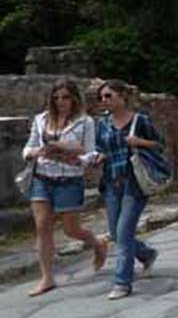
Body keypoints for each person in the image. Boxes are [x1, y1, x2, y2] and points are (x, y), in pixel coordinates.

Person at [20, 79, 107, 297]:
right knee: (42, 226)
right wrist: (34, 152)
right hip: (42, 177)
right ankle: (47, 278)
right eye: (56, 98)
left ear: (74, 98)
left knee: (71, 230)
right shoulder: (41, 119)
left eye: (65, 97)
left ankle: (98, 244)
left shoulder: (85, 122)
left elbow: (89, 152)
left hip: (68, 179)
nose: (61, 102)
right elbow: (28, 147)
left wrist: (74, 157)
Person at [92, 79, 161, 300]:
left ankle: (122, 282)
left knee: (123, 233)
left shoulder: (139, 121)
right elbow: (100, 148)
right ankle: (147, 254)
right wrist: (99, 156)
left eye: (108, 96)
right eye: (101, 97)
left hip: (134, 184)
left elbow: (160, 144)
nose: (104, 101)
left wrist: (139, 141)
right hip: (111, 183)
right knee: (116, 233)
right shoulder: (102, 124)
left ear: (123, 97)